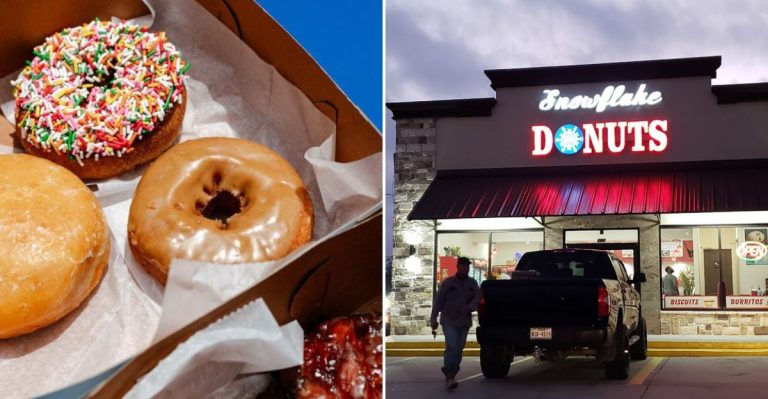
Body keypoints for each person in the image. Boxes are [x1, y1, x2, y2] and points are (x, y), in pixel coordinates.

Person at [430, 256, 481, 390]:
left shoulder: (472, 283)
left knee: (459, 348)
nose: (465, 268)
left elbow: (477, 296)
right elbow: (438, 301)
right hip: (449, 320)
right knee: (451, 346)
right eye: (463, 266)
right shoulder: (448, 283)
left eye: (467, 266)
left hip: (464, 321)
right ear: (458, 267)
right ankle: (449, 374)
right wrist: (433, 319)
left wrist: (472, 306)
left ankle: (452, 372)